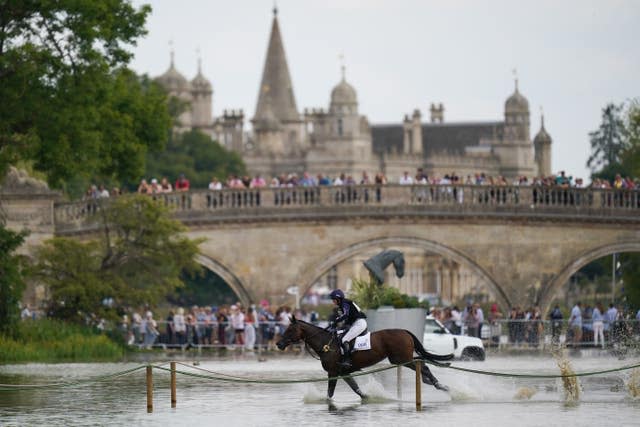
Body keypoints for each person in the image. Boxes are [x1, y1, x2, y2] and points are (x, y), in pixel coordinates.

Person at [328, 289, 367, 368]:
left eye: (334, 299)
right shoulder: (343, 305)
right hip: (356, 323)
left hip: (359, 323)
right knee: (340, 335)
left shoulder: (345, 303)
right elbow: (347, 321)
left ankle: (347, 361)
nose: (333, 302)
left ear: (338, 299)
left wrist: (336, 321)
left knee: (344, 339)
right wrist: (335, 327)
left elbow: (345, 315)